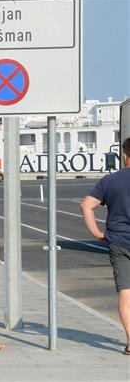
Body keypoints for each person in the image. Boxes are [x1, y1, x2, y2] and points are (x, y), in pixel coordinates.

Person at [80, 137, 130, 356]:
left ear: (125, 155)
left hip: (119, 242)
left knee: (126, 294)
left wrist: (97, 233)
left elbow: (86, 205)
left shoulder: (110, 180)